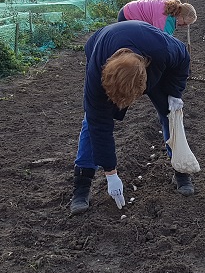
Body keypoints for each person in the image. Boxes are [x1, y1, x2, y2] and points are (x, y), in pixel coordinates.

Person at [69, 20, 195, 216]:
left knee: (171, 115)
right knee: (91, 121)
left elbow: (183, 59)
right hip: (102, 45)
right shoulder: (97, 74)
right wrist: (111, 174)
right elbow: (99, 125)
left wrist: (174, 93)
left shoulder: (163, 49)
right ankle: (82, 183)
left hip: (151, 59)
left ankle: (181, 171)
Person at [117, 0, 197, 35]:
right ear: (180, 15)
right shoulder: (164, 19)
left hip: (129, 8)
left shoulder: (171, 6)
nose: (184, 25)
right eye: (185, 22)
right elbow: (162, 40)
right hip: (128, 16)